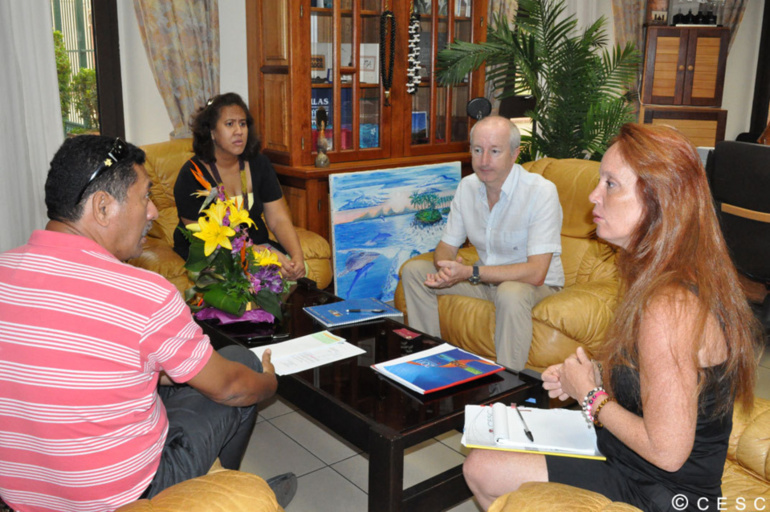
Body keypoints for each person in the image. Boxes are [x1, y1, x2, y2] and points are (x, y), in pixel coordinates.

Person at [462, 123, 763, 511]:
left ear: (658, 199)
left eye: (611, 184)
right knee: (483, 465)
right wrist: (590, 376)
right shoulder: (662, 275)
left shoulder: (671, 305)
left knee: (483, 467)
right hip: (629, 459)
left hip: (666, 491)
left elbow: (668, 452)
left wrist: (590, 396)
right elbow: (660, 378)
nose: (593, 195)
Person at [0, 135, 296, 512]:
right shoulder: (142, 292)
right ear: (103, 207)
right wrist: (271, 381)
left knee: (177, 370)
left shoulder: (4, 270)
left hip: (22, 494)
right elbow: (231, 390)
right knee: (243, 365)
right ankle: (216, 494)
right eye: (144, 198)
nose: (154, 211)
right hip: (119, 495)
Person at [401, 115, 564, 370]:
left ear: (514, 154)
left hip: (534, 287)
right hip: (484, 279)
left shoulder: (541, 192)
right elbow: (447, 245)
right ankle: (428, 361)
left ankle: (508, 382)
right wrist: (445, 267)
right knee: (413, 271)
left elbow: (536, 273)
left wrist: (469, 272)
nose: (484, 161)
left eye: (495, 151)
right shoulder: (467, 187)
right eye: (478, 150)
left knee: (510, 291)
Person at [173, 92, 305, 281]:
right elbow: (199, 237)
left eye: (242, 124)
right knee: (264, 278)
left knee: (296, 272)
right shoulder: (191, 174)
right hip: (211, 254)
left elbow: (278, 219)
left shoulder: (259, 164)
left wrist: (297, 256)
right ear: (211, 132)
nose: (239, 131)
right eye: (229, 124)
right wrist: (255, 254)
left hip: (256, 244)